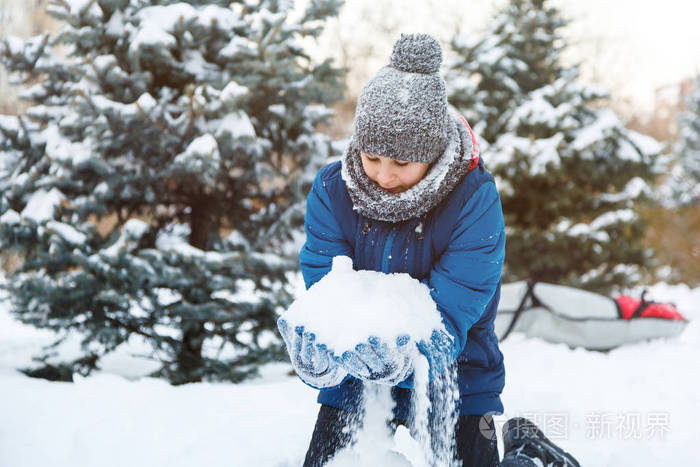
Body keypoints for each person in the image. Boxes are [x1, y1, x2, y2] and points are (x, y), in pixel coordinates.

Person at [278, 33, 580, 467]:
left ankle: (529, 453)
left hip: (457, 368)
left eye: (401, 163)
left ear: (432, 151)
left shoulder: (473, 198)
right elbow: (330, 287)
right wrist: (328, 347)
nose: (383, 174)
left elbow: (457, 305)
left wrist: (409, 355)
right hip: (360, 372)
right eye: (372, 157)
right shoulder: (332, 189)